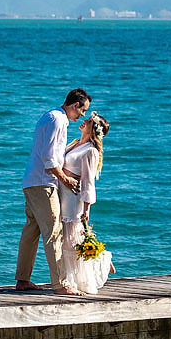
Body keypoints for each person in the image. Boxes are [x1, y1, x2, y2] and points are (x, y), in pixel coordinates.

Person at [15, 88, 92, 296]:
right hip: (44, 183)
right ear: (75, 105)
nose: (83, 115)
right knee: (54, 232)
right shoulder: (58, 120)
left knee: (31, 230)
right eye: (83, 110)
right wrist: (66, 179)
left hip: (31, 181)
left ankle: (23, 280)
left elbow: (49, 152)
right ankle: (60, 284)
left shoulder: (49, 116)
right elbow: (50, 159)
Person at [59, 112, 114, 294]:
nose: (83, 121)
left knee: (71, 241)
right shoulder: (75, 143)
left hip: (74, 198)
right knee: (70, 240)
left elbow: (89, 181)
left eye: (88, 121)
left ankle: (73, 280)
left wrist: (86, 207)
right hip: (63, 193)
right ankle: (100, 259)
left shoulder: (91, 151)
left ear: (94, 130)